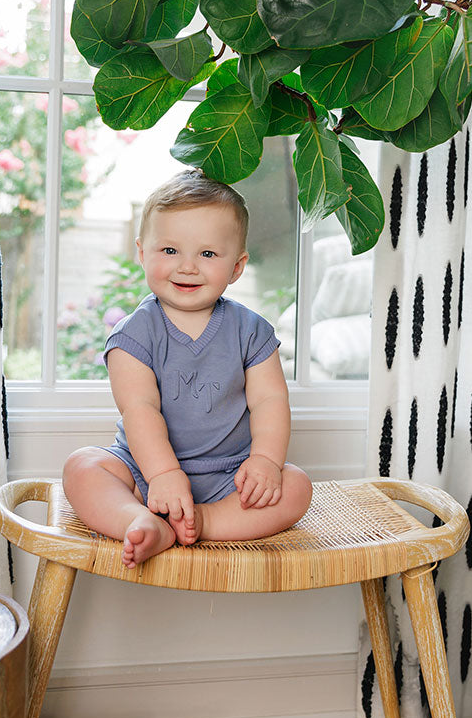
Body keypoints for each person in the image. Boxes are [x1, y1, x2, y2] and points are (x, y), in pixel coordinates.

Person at [62, 169, 313, 568]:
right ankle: (140, 520)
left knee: (296, 485)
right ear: (143, 253)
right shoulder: (133, 335)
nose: (187, 267)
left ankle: (206, 521)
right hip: (144, 472)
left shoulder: (251, 330)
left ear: (237, 267)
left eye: (207, 254)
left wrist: (265, 461)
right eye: (170, 250)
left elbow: (270, 399)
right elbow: (140, 409)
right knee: (82, 467)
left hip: (231, 475)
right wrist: (162, 475)